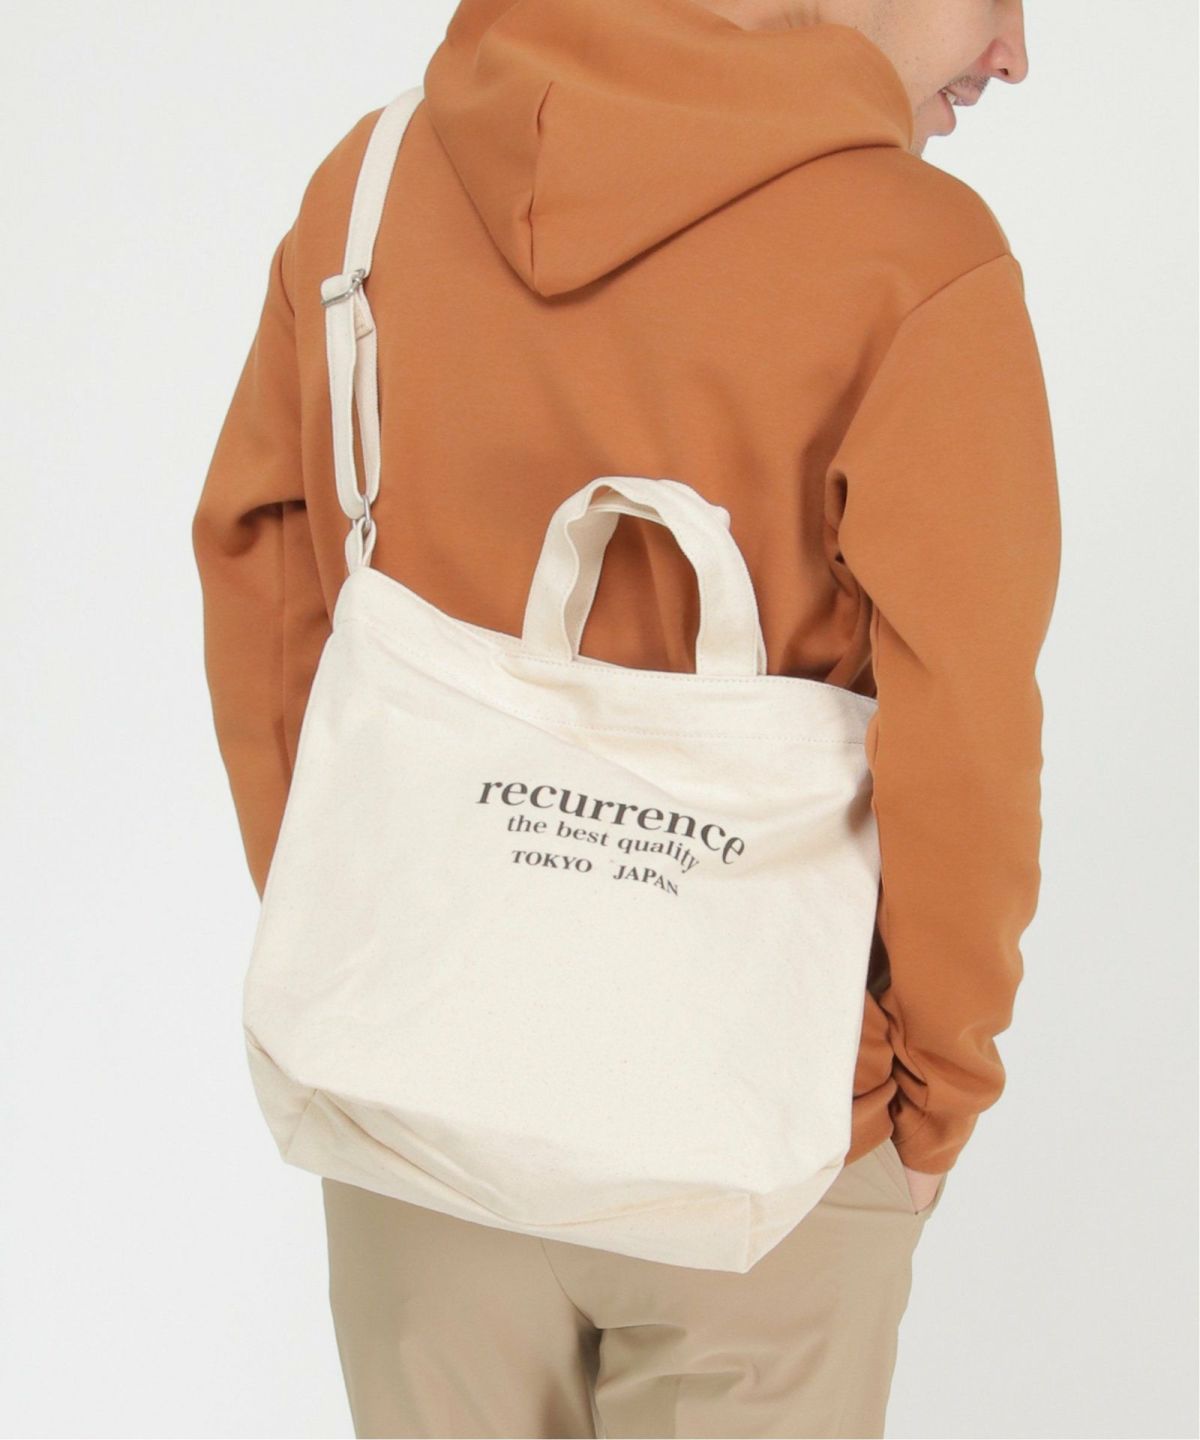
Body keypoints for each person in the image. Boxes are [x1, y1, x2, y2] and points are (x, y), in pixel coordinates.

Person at [191, 0, 1061, 1434]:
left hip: (417, 1100)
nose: (1015, 49)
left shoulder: (374, 183)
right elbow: (964, 728)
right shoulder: (920, 259)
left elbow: (270, 596)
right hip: (772, 1129)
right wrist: (929, 1102)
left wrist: (359, 954)